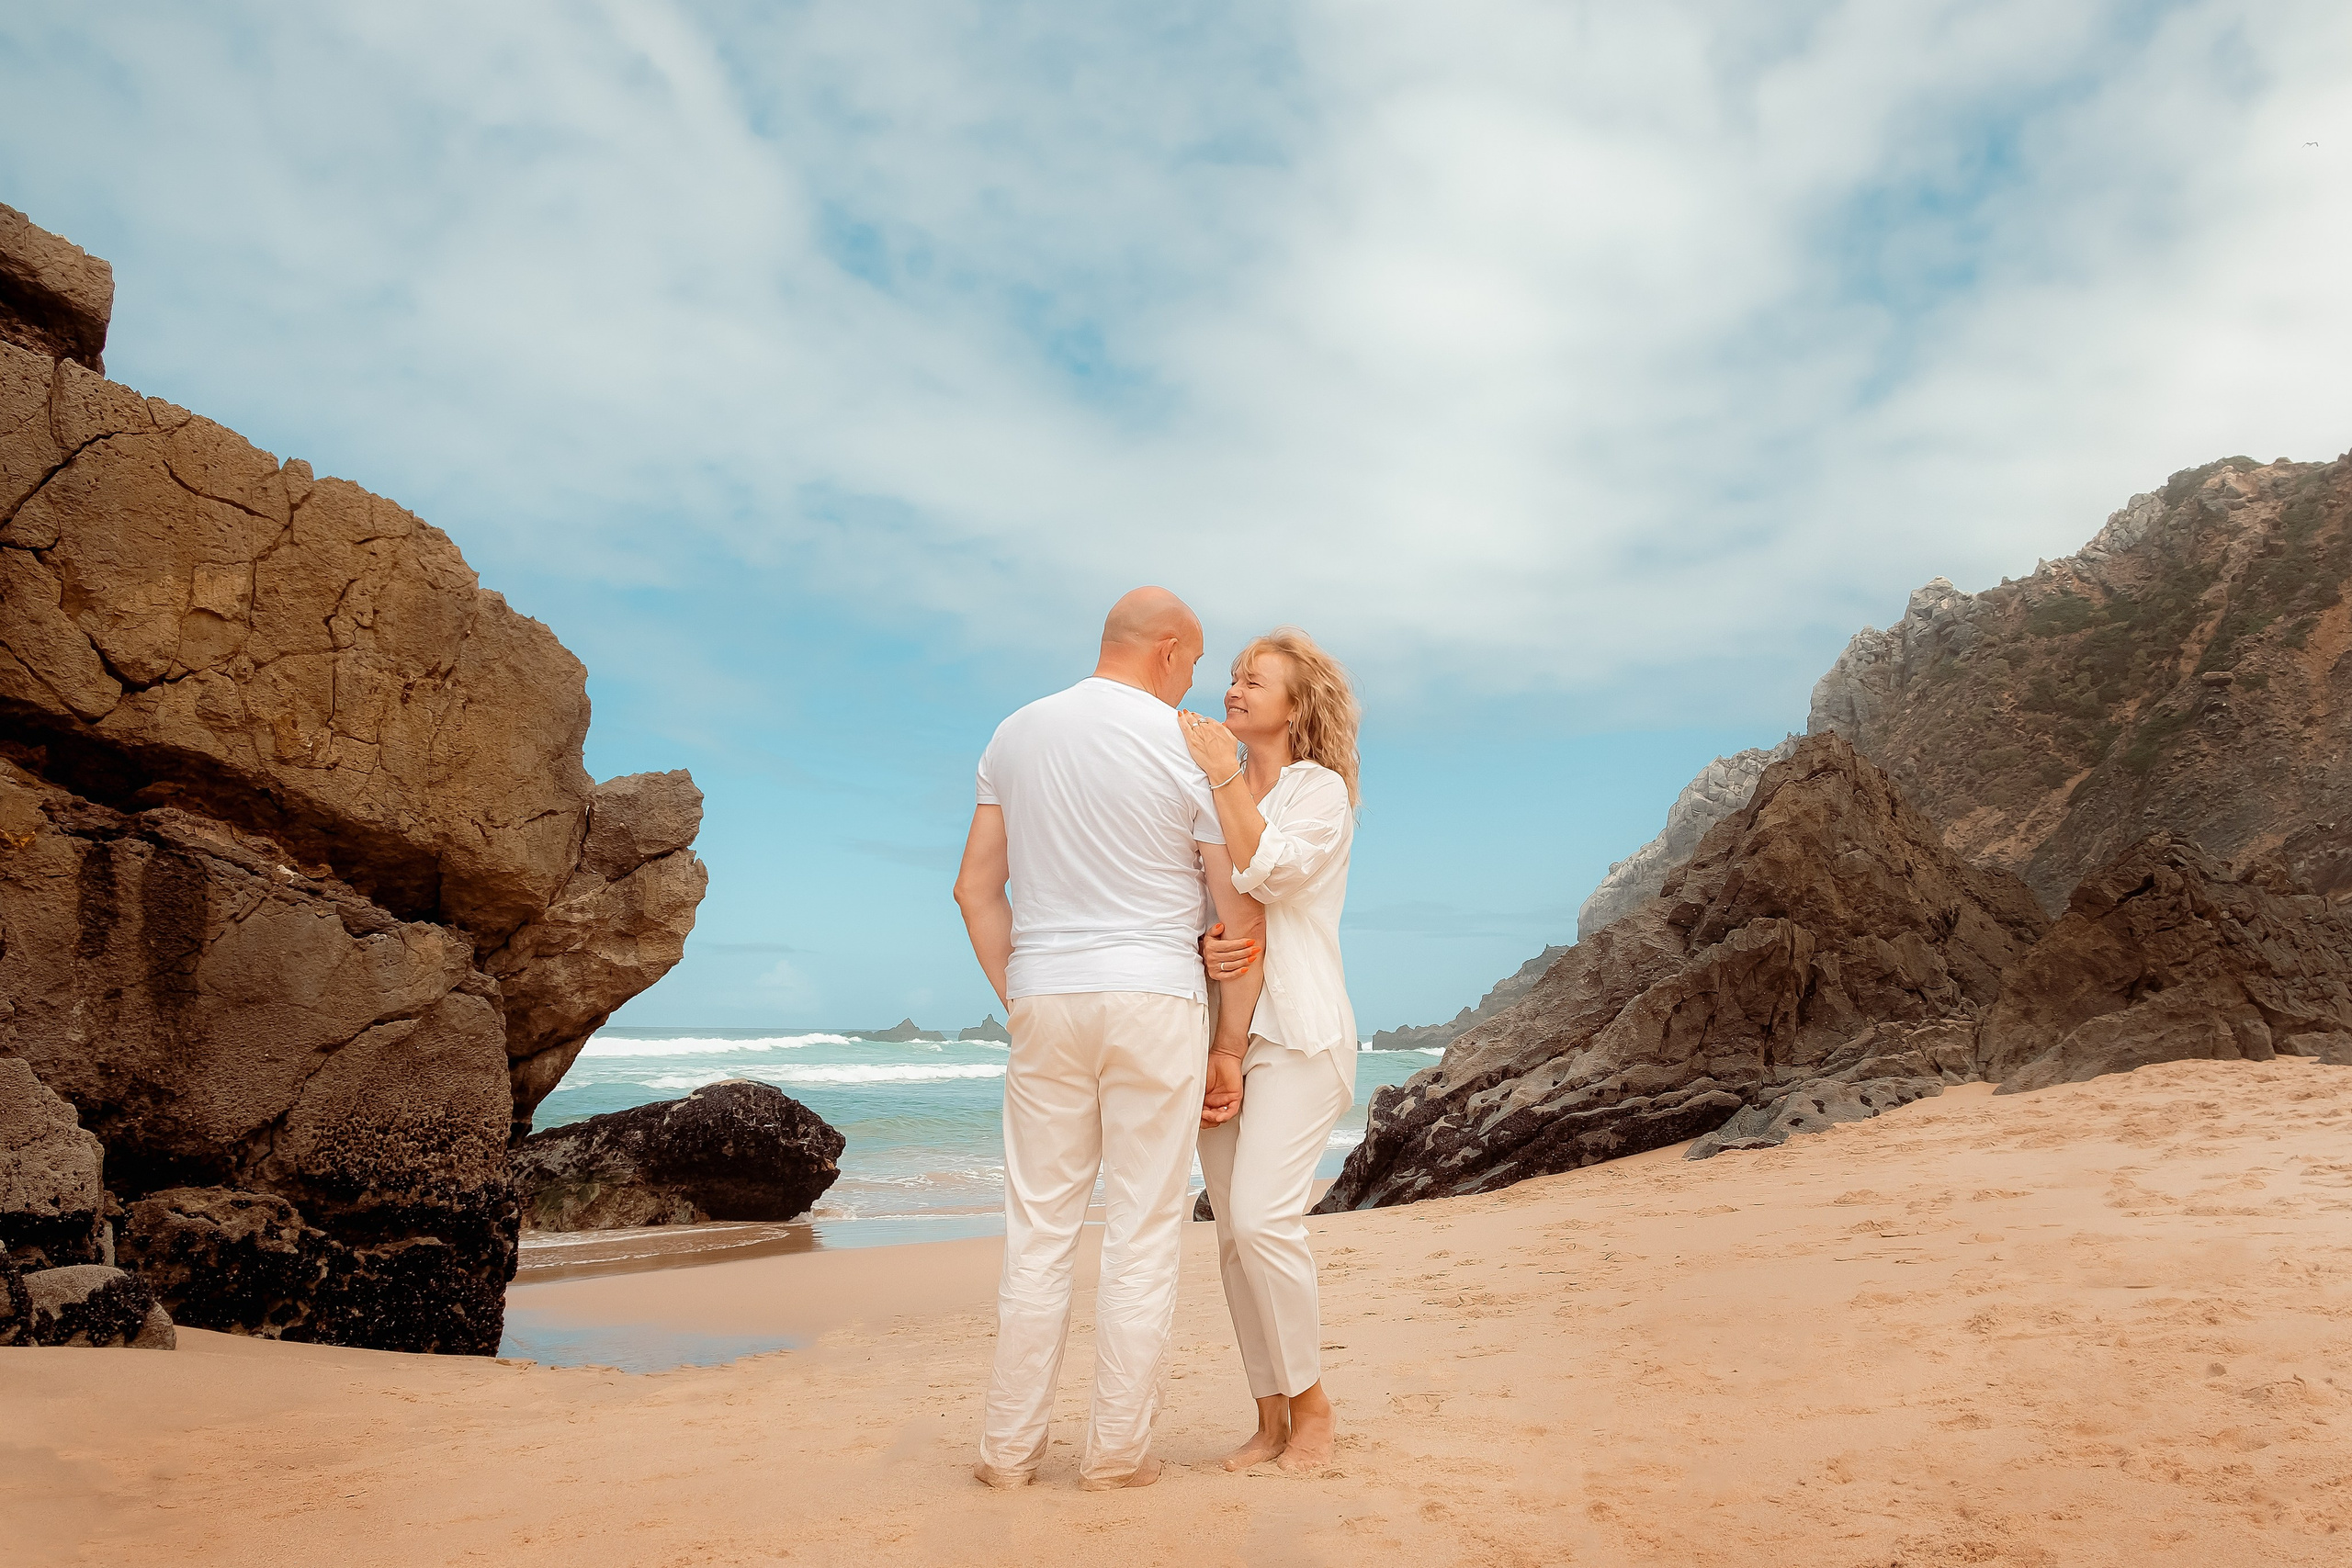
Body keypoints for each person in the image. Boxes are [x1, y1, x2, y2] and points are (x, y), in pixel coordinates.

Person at [952, 586, 1267, 1492]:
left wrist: (1021, 994)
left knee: (1039, 1230)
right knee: (1142, 1229)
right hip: (1155, 997)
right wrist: (1228, 1045)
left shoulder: (1015, 733)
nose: (1195, 681)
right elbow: (1237, 910)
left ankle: (1008, 1454)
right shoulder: (1189, 745)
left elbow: (975, 889)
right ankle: (1117, 1456)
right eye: (1195, 662)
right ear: (1167, 649)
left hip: (1045, 995)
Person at [1180, 626, 1363, 1475]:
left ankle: (1313, 1405)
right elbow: (1198, 907)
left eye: (1255, 681)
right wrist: (1204, 945)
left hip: (1299, 1032)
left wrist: (1223, 775)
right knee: (1231, 1235)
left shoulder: (1318, 792)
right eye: (1233, 676)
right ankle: (1268, 1415)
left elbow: (1271, 874)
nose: (1234, 689)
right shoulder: (1203, 790)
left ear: (1296, 707)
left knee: (1262, 1218)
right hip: (1218, 1035)